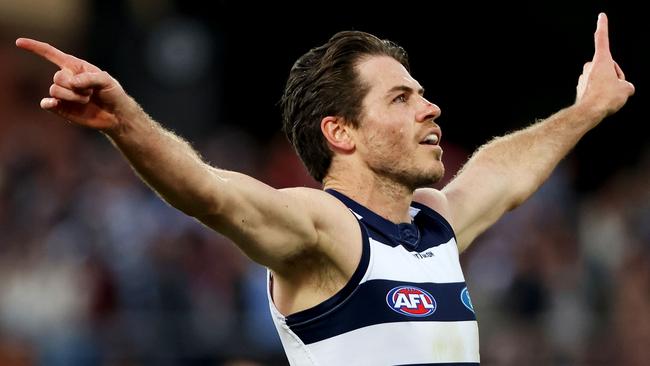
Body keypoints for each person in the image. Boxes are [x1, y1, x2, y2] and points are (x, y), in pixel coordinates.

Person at [15, 12, 633, 366]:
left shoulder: (435, 225)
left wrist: (585, 111)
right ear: (340, 132)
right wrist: (125, 122)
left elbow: (503, 173)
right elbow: (211, 191)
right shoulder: (324, 229)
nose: (431, 109)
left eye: (422, 95)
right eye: (402, 98)